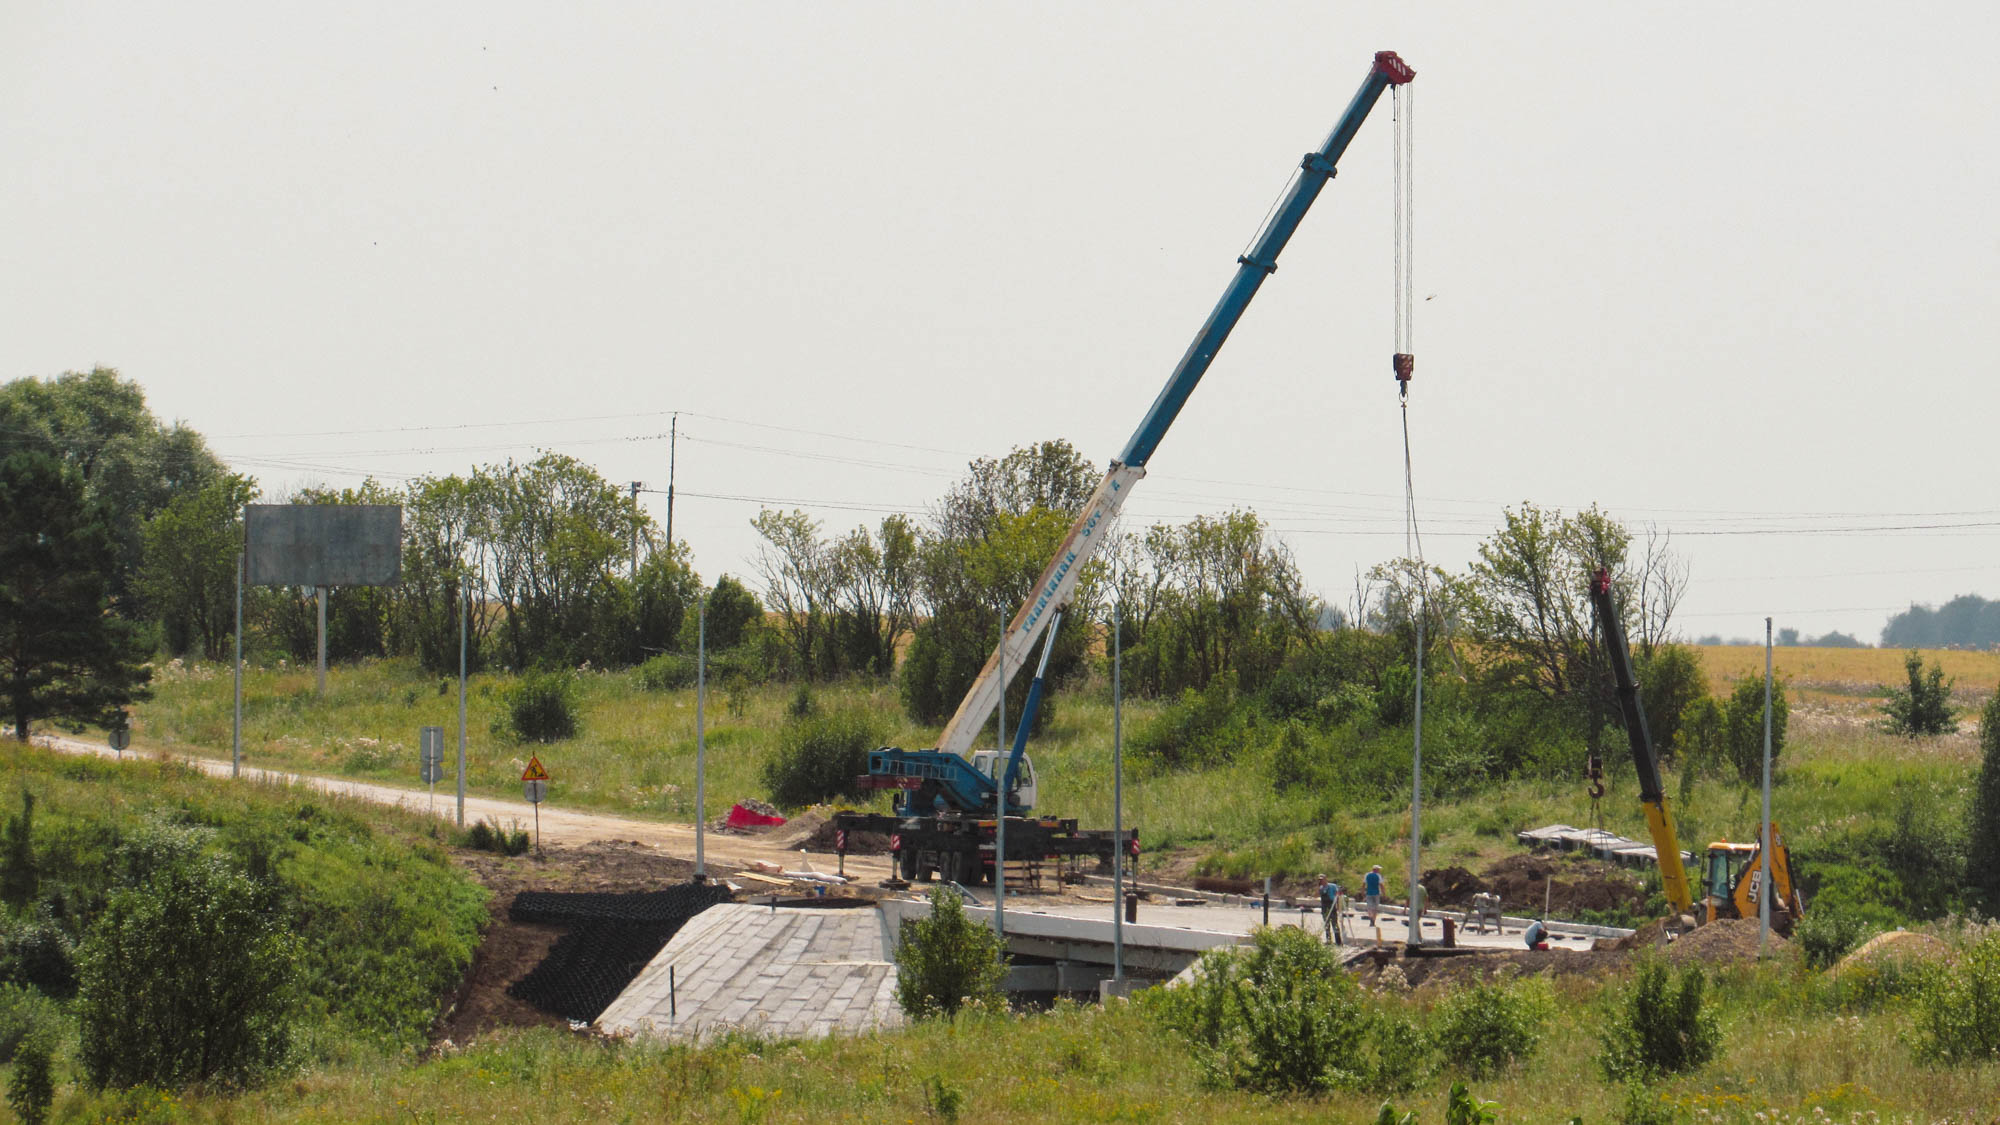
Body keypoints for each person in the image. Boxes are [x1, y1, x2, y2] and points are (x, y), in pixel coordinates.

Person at [1318, 875, 1344, 945]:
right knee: (1326, 924)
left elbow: (1337, 895)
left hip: (1331, 906)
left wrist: (1338, 906)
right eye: (1320, 880)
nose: (1321, 881)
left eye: (1322, 880)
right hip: (1324, 907)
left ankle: (1338, 941)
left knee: (1334, 924)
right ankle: (1328, 940)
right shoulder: (1321, 888)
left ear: (1326, 879)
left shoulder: (1332, 886)